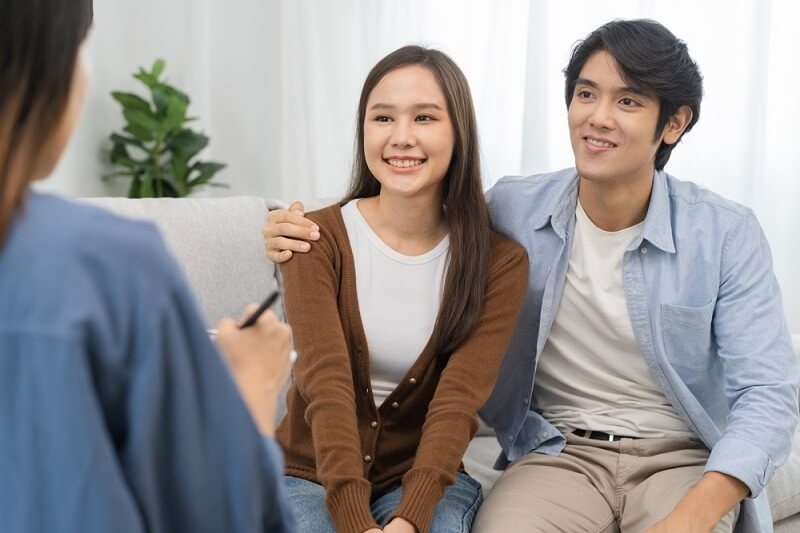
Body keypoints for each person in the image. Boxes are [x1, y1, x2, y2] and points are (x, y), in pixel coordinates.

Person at [263, 19, 800, 533]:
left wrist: (695, 512)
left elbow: (769, 394)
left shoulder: (725, 233)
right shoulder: (514, 210)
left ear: (675, 123)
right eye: (586, 94)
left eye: (628, 100)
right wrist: (285, 231)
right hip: (561, 452)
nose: (599, 117)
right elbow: (410, 210)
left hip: (680, 456)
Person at [0, 1, 296, 532]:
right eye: (78, 50)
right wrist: (252, 388)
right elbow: (219, 518)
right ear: (40, 71)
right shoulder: (110, 267)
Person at [271, 45, 528, 533]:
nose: (401, 138)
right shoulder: (314, 241)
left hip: (424, 481)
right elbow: (325, 384)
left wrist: (410, 518)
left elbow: (457, 402)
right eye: (383, 117)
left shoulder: (499, 262)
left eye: (425, 118)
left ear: (459, 133)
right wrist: (356, 521)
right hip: (310, 477)